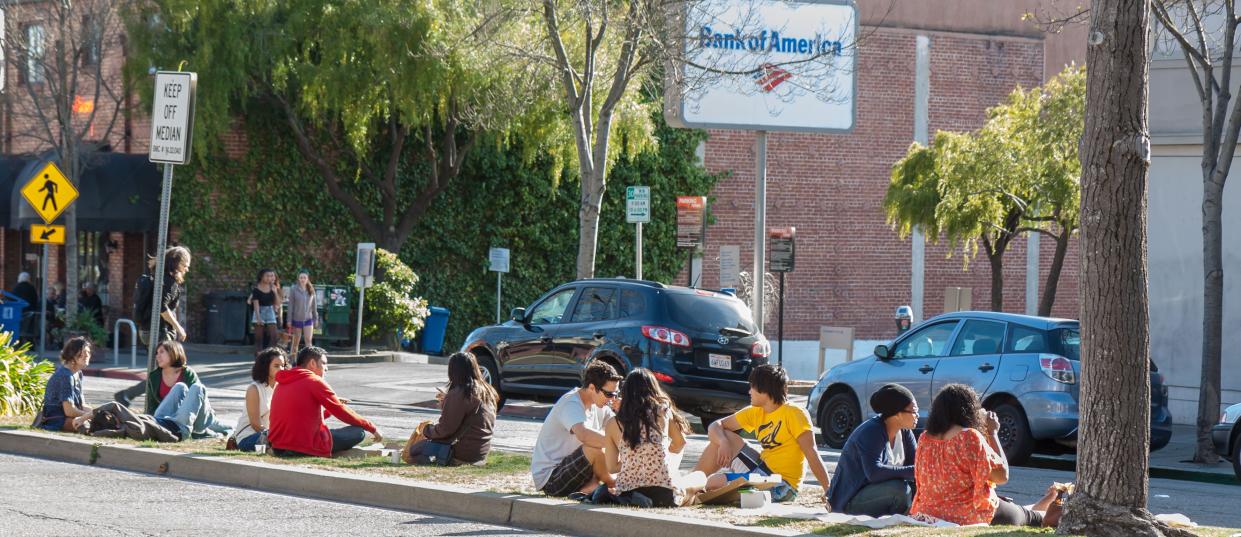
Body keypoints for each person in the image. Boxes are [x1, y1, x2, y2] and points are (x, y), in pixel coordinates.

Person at [910, 384, 1062, 528]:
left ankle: (1050, 499)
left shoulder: (924, 438)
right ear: (969, 410)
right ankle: (1052, 509)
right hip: (968, 514)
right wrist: (992, 432)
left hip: (930, 512)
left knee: (1019, 510)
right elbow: (1002, 476)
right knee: (1029, 517)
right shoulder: (968, 436)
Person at [693, 364, 832, 506]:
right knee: (725, 438)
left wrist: (829, 490)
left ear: (764, 390)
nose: (749, 392)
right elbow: (715, 426)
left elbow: (812, 453)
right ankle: (690, 486)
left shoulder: (795, 413)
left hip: (783, 485)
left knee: (714, 483)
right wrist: (723, 442)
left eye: (752, 387)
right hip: (762, 470)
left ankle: (696, 490)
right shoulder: (755, 411)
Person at [268, 346, 383, 457]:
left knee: (333, 431)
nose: (326, 368)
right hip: (303, 446)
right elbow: (341, 412)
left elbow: (304, 418)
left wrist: (330, 410)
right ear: (312, 363)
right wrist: (372, 428)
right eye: (324, 363)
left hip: (278, 447)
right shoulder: (314, 380)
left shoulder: (282, 383)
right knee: (358, 432)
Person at [601, 368, 691, 508]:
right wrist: (660, 450)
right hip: (663, 493)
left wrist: (633, 458)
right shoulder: (663, 412)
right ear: (654, 389)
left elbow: (612, 468)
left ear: (625, 393)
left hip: (629, 492)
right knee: (697, 479)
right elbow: (680, 443)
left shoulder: (613, 423)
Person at [531, 361, 622, 498]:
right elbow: (584, 435)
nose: (613, 399)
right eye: (609, 394)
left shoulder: (599, 405)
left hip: (578, 470)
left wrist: (623, 412)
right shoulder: (571, 403)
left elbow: (617, 431)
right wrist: (619, 444)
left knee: (604, 444)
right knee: (594, 447)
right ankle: (617, 485)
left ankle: (590, 489)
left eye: (616, 394)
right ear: (592, 388)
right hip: (552, 478)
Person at [115, 247, 192, 407]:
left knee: (159, 372)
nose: (187, 268)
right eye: (186, 264)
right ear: (177, 264)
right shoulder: (169, 282)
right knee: (168, 371)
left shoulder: (157, 278)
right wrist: (179, 328)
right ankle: (132, 396)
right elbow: (162, 308)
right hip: (160, 332)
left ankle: (141, 401)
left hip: (147, 330)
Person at [827, 383, 918, 516]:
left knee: (913, 487)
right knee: (899, 490)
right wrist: (914, 471)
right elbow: (874, 472)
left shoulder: (905, 432)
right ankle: (898, 518)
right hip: (850, 501)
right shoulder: (871, 431)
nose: (917, 415)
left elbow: (916, 466)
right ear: (897, 414)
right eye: (914, 411)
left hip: (879, 493)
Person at [404, 352, 497, 465]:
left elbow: (446, 429)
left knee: (414, 450)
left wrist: (426, 429)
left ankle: (444, 462)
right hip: (481, 451)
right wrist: (447, 402)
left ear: (453, 371)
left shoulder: (461, 392)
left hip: (464, 452)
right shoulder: (487, 390)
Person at [150, 341, 232, 441]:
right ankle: (157, 423)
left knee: (228, 428)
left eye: (162, 352)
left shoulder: (187, 373)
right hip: (172, 418)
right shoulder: (154, 376)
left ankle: (203, 433)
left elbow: (197, 400)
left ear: (173, 352)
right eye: (157, 353)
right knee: (179, 386)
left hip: (199, 417)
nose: (158, 356)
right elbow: (152, 405)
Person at [229, 347, 288, 451]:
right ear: (265, 367)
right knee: (282, 440)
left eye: (283, 366)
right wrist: (273, 434)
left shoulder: (282, 387)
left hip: (270, 435)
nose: (281, 369)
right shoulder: (254, 389)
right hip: (247, 438)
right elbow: (255, 424)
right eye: (276, 366)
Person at [35, 337, 95, 433]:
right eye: (82, 352)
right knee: (92, 427)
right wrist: (88, 416)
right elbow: (69, 411)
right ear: (72, 355)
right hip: (57, 419)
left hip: (70, 417)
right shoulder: (65, 376)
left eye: (88, 352)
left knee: (102, 419)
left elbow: (81, 405)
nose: (87, 355)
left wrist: (95, 413)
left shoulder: (78, 373)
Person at [250, 268, 284, 353]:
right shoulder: (256, 289)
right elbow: (256, 304)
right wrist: (258, 318)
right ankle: (258, 358)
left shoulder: (273, 287)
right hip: (259, 311)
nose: (270, 278)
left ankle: (269, 355)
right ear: (262, 277)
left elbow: (278, 303)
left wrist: (275, 292)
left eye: (272, 276)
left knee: (274, 336)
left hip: (270, 311)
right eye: (267, 276)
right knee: (258, 338)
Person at [286, 271, 318, 354]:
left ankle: (309, 359)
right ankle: (293, 360)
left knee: (308, 341)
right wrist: (289, 320)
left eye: (304, 277)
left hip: (308, 319)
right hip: (297, 319)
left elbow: (314, 306)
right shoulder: (294, 289)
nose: (302, 279)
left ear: (307, 279)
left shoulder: (311, 289)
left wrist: (316, 319)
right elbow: (290, 305)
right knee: (296, 342)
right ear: (298, 278)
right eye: (301, 277)